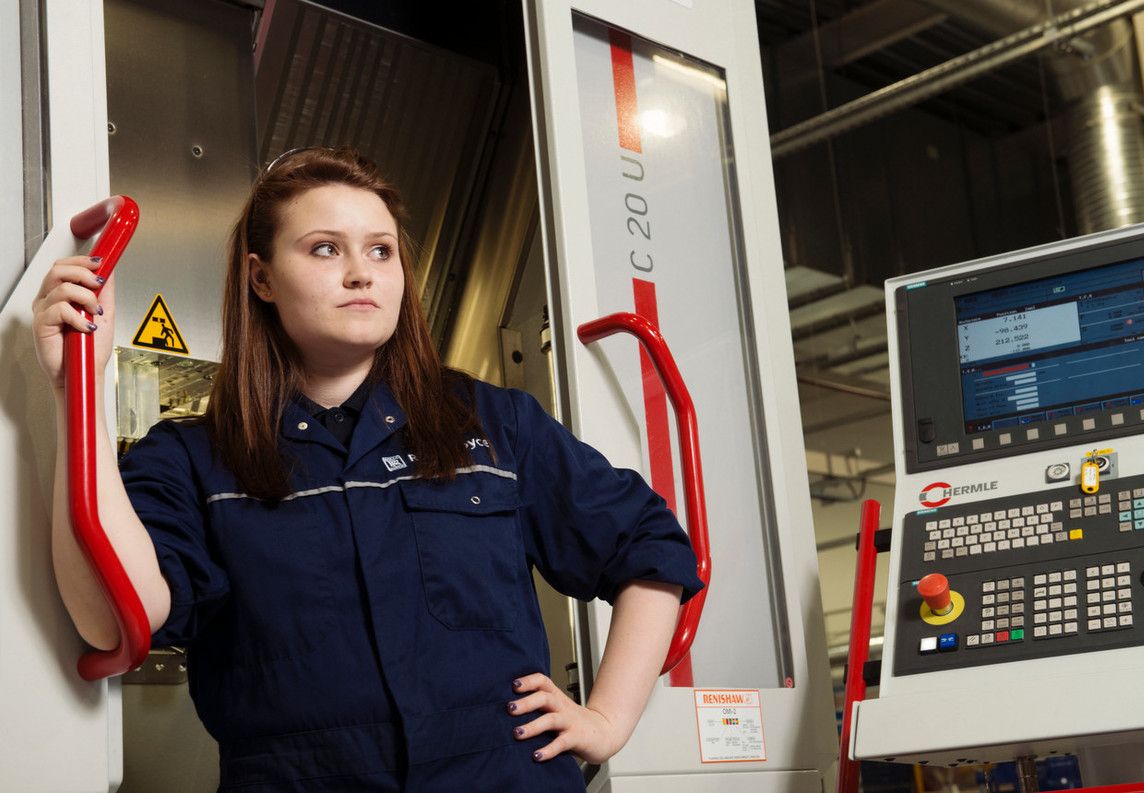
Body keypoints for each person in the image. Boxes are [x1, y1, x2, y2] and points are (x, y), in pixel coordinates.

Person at [32, 147, 704, 792]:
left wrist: (609, 719)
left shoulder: (492, 424)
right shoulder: (193, 458)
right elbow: (116, 618)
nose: (362, 272)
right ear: (261, 277)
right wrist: (76, 393)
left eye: (380, 250)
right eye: (325, 248)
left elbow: (650, 548)